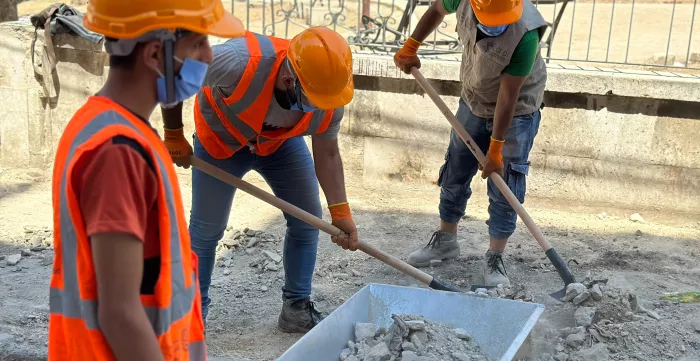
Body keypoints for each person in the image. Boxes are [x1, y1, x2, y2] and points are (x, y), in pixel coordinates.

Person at [47, 0, 244, 359]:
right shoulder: (116, 152)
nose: (210, 57)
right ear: (155, 54)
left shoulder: (114, 128)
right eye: (198, 43)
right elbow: (119, 314)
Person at [160, 26, 358, 333]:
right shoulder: (239, 62)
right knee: (206, 230)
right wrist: (173, 133)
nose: (323, 107)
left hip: (278, 144)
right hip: (220, 143)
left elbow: (328, 153)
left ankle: (296, 309)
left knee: (308, 219)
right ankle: (191, 317)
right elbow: (172, 73)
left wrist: (341, 211)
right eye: (314, 100)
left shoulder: (330, 95)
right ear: (288, 80)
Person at [394, 0, 547, 286]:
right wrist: (412, 45)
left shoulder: (526, 33)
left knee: (505, 182)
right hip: (474, 98)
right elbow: (436, 11)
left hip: (517, 111)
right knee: (455, 168)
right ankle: (446, 240)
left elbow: (508, 97)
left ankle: (495, 257)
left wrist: (496, 149)